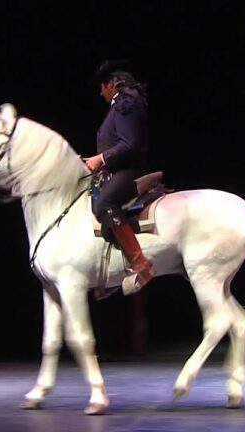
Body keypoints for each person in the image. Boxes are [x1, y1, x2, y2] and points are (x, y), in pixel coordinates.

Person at [83, 59, 155, 294]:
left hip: (130, 170)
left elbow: (129, 144)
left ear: (112, 83)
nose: (101, 93)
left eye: (102, 87)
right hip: (117, 170)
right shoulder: (120, 105)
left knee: (106, 203)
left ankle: (140, 263)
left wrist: (100, 159)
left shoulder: (126, 103)